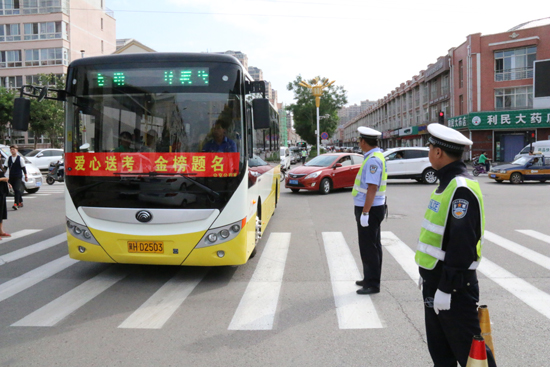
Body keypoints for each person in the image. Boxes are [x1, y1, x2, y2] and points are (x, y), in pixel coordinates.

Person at [417, 123, 496, 367]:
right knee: (441, 354)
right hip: (435, 281)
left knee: (473, 357)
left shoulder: (460, 188)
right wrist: (428, 275)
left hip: (453, 288)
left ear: (438, 152)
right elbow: (439, 237)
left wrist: (446, 287)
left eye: (430, 148)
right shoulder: (446, 183)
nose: (429, 152)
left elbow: (462, 245)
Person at [352, 126, 387, 295]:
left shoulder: (373, 159)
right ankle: (369, 278)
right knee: (373, 245)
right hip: (373, 207)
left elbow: (372, 187)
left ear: (364, 142)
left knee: (368, 247)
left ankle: (372, 284)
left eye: (360, 140)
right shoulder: (375, 156)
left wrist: (365, 213)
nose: (359, 143)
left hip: (370, 209)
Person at [3, 145, 27, 210]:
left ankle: (16, 204)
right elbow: (5, 168)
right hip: (11, 177)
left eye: (13, 149)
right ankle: (20, 201)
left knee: (16, 189)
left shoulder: (20, 158)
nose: (12, 151)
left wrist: (26, 176)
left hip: (18, 176)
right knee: (16, 190)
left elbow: (23, 168)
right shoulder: (8, 158)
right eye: (11, 149)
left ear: (17, 150)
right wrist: (2, 174)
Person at [0, 162, 10, 238]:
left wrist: (8, 182)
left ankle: (1, 231)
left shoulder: (1, 166)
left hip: (2, 191)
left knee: (1, 212)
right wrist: (3, 179)